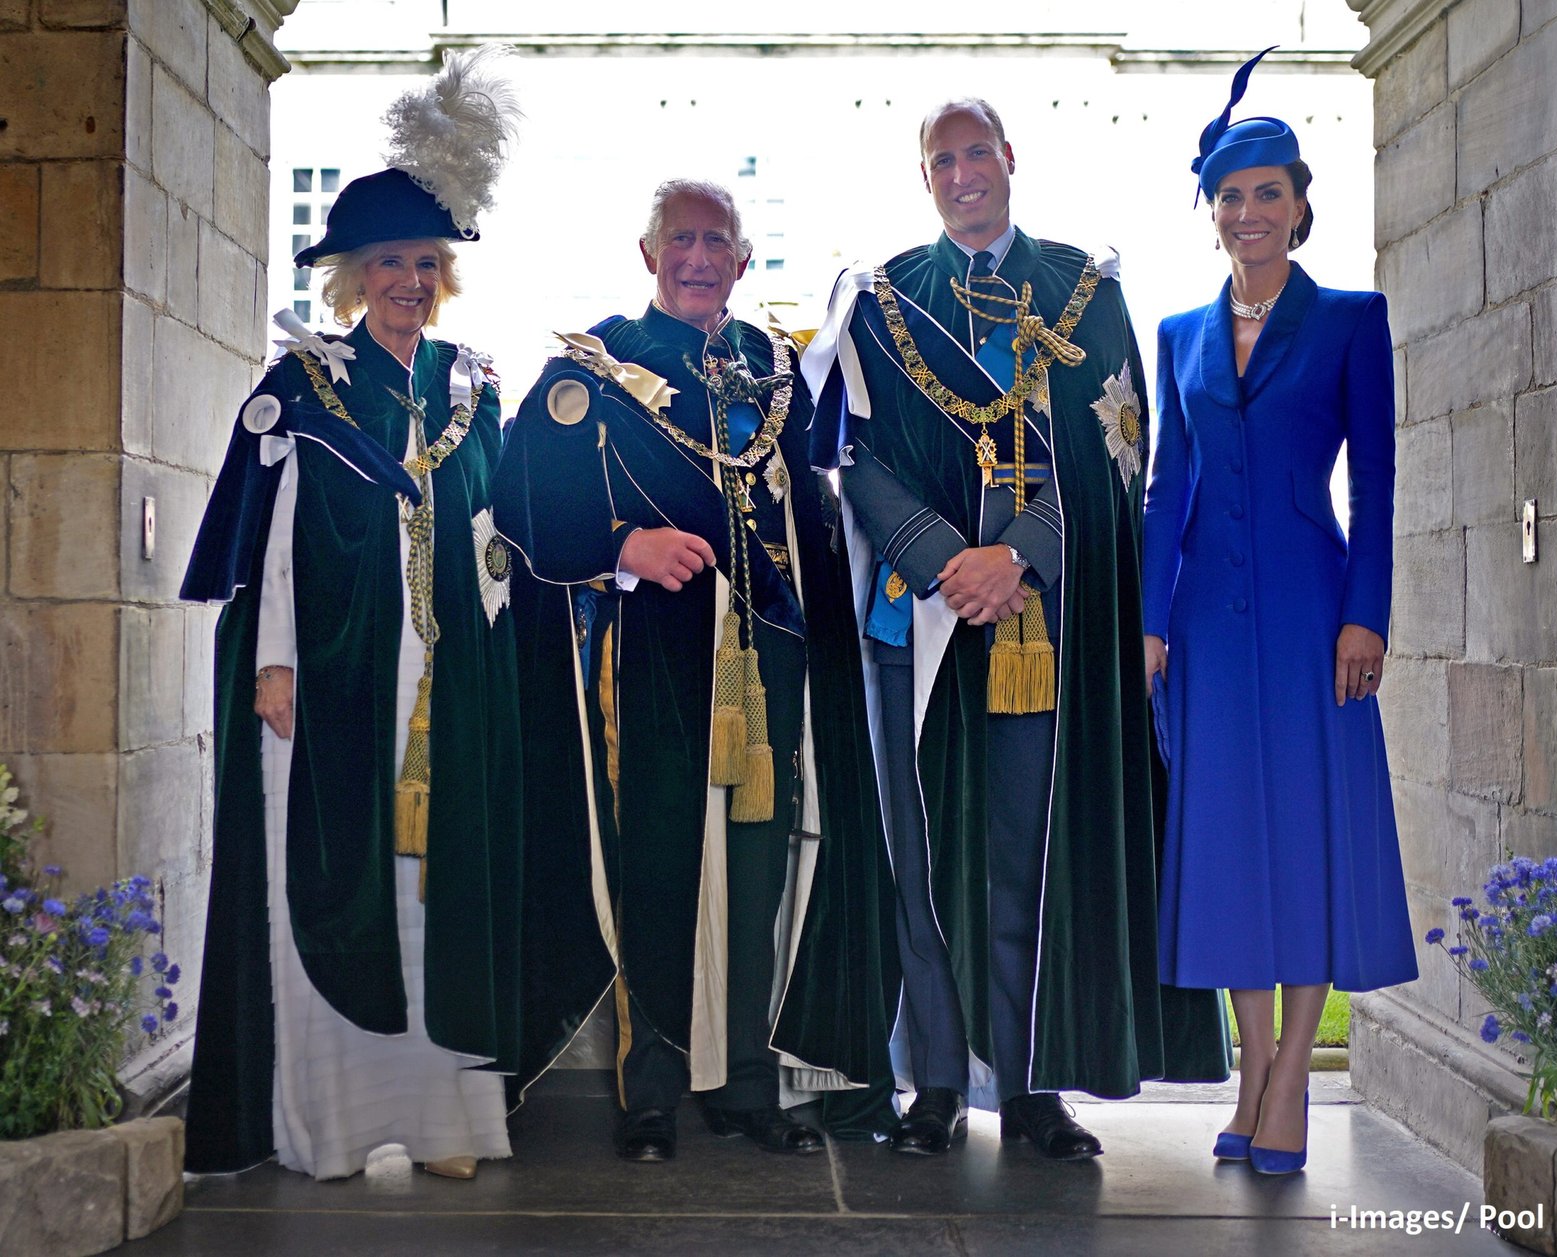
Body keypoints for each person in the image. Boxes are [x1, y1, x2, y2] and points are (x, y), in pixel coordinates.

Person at [801, 99, 1228, 1161]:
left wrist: (1017, 557)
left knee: (1024, 856)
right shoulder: (883, 297)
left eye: (975, 154)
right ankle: (937, 1084)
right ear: (926, 177)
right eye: (940, 160)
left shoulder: (1087, 292)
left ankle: (1033, 1086)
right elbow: (855, 459)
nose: (961, 174)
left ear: (1009, 161)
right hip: (919, 618)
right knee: (923, 854)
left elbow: (1116, 453)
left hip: (1043, 630)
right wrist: (945, 562)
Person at [494, 179, 894, 1163]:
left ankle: (747, 1084)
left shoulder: (779, 369)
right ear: (648, 253)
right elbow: (519, 501)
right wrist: (623, 544)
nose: (700, 256)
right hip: (652, 670)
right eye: (682, 238)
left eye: (719, 240)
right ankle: (653, 1090)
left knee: (759, 878)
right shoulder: (589, 367)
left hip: (775, 668)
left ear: (744, 260)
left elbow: (819, 502)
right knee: (658, 870)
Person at [179, 48, 527, 1181]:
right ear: (352, 277)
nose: (409, 282)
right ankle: (327, 1124)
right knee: (335, 889)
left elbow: (497, 540)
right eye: (389, 263)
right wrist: (273, 667)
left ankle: (445, 1127)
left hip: (448, 689)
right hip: (329, 686)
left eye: (426, 263)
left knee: (437, 898)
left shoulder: (472, 387)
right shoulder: (302, 390)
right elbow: (267, 547)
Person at [1141, 50, 1417, 1176]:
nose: (1248, 212)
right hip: (1204, 618)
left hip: (1314, 615)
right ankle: (1253, 1061)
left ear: (1300, 205)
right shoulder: (1179, 335)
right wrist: (1151, 619)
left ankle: (1293, 1071)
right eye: (1229, 196)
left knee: (1304, 837)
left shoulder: (1352, 320)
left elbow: (1380, 480)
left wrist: (1369, 613)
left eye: (1268, 193)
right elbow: (1167, 483)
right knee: (1223, 842)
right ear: (1210, 215)